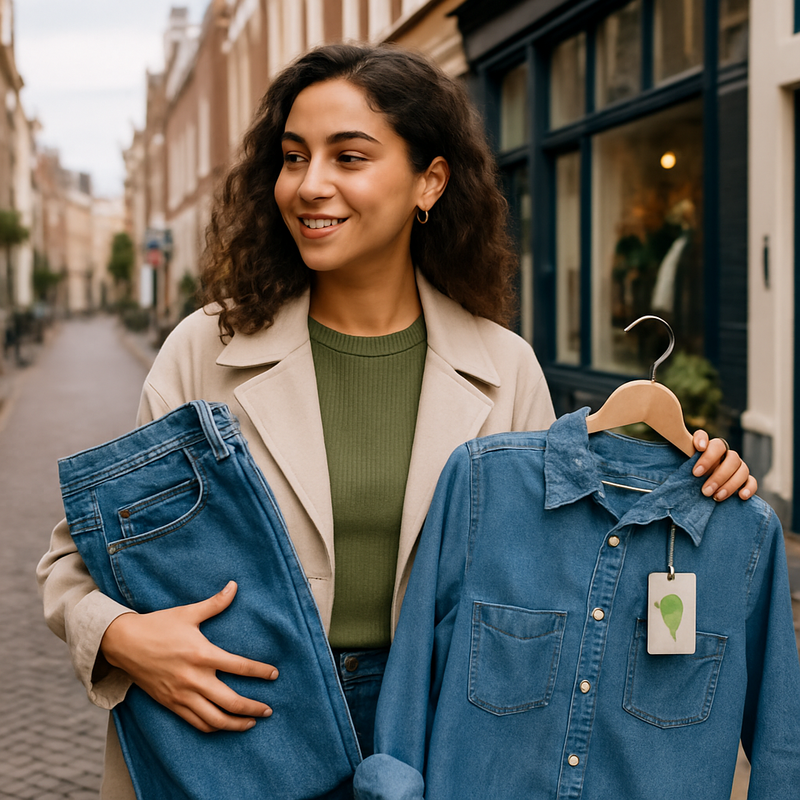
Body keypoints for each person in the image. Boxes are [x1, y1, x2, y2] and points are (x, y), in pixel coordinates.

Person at [37, 43, 755, 798]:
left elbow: (564, 583)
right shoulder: (205, 350)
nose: (310, 185)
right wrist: (123, 637)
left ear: (430, 182)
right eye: (292, 157)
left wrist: (690, 497)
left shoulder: (503, 368)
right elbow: (74, 561)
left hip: (440, 733)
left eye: (349, 157)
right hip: (233, 731)